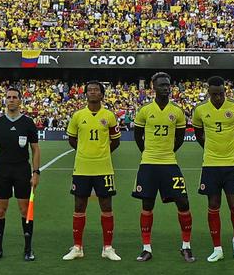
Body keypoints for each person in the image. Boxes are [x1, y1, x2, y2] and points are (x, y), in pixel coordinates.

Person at [130, 73, 194, 263]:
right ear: (154, 88)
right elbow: (137, 136)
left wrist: (167, 152)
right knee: (147, 205)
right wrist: (148, 153)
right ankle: (146, 248)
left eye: (168, 85)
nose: (166, 88)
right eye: (162, 85)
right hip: (148, 164)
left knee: (183, 202)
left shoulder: (178, 111)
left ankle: (186, 246)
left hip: (169, 163)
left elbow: (180, 138)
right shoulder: (144, 110)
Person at [189, 76, 234, 262]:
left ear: (225, 91)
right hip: (210, 165)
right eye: (214, 94)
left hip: (232, 164)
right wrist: (210, 149)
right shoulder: (200, 110)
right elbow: (199, 133)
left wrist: (230, 149)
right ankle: (217, 248)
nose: (217, 97)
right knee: (213, 205)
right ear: (208, 92)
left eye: (221, 94)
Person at [63, 80, 120, 262]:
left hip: (104, 168)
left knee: (106, 207)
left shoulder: (109, 115)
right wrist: (84, 152)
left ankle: (108, 248)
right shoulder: (78, 116)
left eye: (96, 90)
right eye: (90, 90)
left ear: (102, 94)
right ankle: (78, 247)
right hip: (82, 168)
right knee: (79, 206)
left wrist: (102, 153)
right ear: (85, 94)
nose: (93, 92)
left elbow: (116, 140)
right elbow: (72, 139)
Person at [0, 84, 38, 261]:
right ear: (5, 100)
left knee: (24, 210)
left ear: (20, 100)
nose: (12, 100)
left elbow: (35, 150)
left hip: (22, 170)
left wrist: (35, 172)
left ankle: (28, 249)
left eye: (15, 97)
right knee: (0, 210)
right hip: (2, 170)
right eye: (9, 97)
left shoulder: (28, 123)